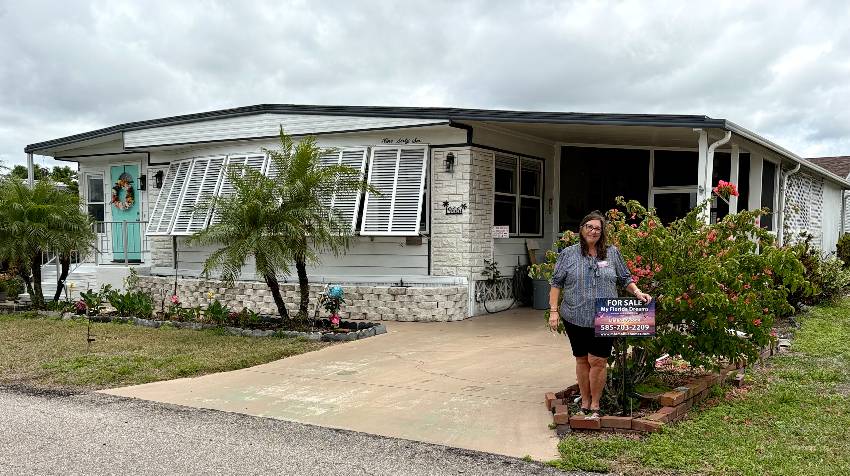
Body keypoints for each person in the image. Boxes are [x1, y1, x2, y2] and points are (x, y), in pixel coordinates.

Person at [548, 211, 651, 418]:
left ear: (602, 232)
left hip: (605, 315)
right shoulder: (568, 254)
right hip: (574, 315)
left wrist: (638, 292)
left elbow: (624, 278)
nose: (593, 231)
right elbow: (556, 283)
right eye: (590, 226)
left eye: (597, 228)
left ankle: (595, 404)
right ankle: (584, 402)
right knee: (582, 360)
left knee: (599, 361)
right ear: (582, 228)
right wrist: (553, 311)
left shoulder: (612, 253)